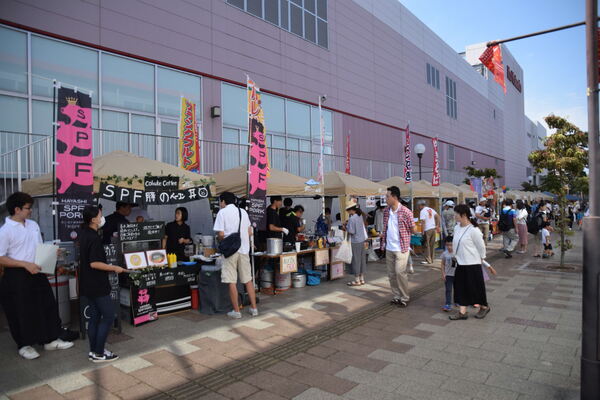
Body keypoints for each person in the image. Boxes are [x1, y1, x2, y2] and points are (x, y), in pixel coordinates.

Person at [0, 192, 74, 360]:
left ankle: (49, 339)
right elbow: (1, 257)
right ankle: (24, 345)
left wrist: (52, 252)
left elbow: (37, 246)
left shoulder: (33, 225)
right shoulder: (5, 231)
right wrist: (25, 264)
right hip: (17, 274)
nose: (31, 211)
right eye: (28, 208)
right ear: (17, 209)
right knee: (22, 310)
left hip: (37, 270)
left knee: (47, 304)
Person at [79, 206, 126, 363]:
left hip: (87, 283)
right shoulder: (93, 237)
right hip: (97, 283)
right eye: (100, 215)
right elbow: (95, 263)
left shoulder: (84, 233)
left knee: (94, 318)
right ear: (93, 220)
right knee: (108, 316)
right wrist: (114, 268)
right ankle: (99, 352)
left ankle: (94, 351)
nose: (102, 217)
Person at [213, 192, 258, 319]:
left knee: (231, 280)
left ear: (223, 201)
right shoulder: (243, 212)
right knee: (248, 280)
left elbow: (221, 234)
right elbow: (250, 231)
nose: (220, 204)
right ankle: (254, 308)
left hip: (230, 251)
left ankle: (236, 311)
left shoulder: (222, 213)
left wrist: (221, 239)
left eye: (220, 201)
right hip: (244, 249)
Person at [449, 204, 490, 320]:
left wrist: (482, 258)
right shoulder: (457, 227)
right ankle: (462, 312)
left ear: (464, 215)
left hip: (472, 263)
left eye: (456, 214)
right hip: (460, 263)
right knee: (460, 287)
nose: (455, 216)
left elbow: (481, 247)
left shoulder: (474, 230)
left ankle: (484, 307)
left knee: (475, 288)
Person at [380, 186, 416, 307]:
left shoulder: (406, 211)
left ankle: (404, 297)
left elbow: (413, 228)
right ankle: (396, 296)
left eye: (387, 196)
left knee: (400, 273)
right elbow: (386, 227)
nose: (386, 198)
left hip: (402, 247)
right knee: (391, 274)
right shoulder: (386, 211)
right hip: (389, 247)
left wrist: (413, 231)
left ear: (394, 197)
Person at [344, 201, 368, 286]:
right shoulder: (359, 216)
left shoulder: (352, 218)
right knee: (361, 260)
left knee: (356, 261)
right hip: (361, 240)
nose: (347, 212)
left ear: (351, 210)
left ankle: (357, 280)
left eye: (348, 210)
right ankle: (362, 279)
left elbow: (351, 231)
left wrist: (345, 227)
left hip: (355, 242)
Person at [417, 200, 440, 265]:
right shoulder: (430, 209)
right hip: (433, 229)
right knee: (432, 245)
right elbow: (438, 216)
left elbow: (423, 222)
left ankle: (428, 260)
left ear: (420, 205)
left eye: (418, 206)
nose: (418, 207)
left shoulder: (422, 211)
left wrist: (422, 231)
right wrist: (437, 225)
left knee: (426, 245)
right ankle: (431, 259)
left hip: (427, 230)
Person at [440, 236, 456, 312]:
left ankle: (458, 301)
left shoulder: (457, 253)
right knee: (448, 290)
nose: (449, 247)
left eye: (451, 245)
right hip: (448, 275)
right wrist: (443, 273)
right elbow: (442, 264)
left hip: (457, 275)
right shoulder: (444, 254)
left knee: (458, 289)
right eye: (447, 245)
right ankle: (448, 304)